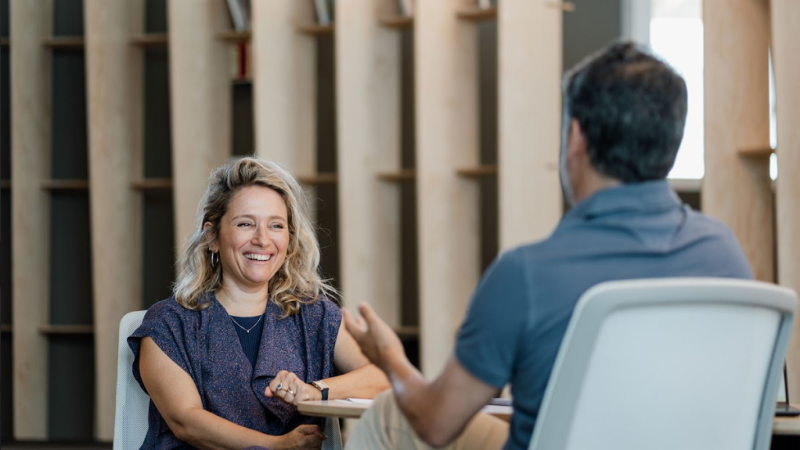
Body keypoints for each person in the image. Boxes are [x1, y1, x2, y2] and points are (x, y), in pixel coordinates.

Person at [342, 41, 754, 450]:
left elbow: (436, 423)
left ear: (575, 136)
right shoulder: (723, 253)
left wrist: (389, 358)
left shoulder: (525, 275)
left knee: (385, 415)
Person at [129, 157, 390, 449]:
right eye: (245, 224)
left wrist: (315, 391)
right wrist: (276, 446)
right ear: (212, 236)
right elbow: (186, 422)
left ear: (289, 240)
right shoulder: (168, 323)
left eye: (276, 226)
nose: (263, 240)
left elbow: (382, 377)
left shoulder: (313, 315)